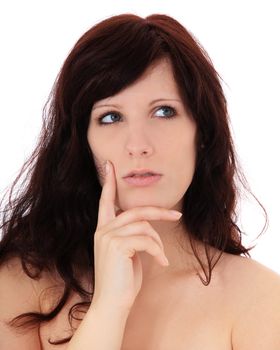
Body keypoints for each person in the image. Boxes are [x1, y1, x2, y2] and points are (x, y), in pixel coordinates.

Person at [0, 13, 279, 350]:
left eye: (163, 112)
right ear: (82, 142)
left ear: (201, 132)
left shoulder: (258, 300)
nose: (138, 145)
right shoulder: (22, 284)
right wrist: (108, 309)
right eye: (111, 117)